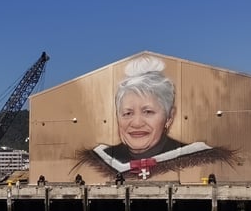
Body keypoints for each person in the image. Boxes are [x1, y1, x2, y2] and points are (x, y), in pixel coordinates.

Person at [75, 56, 233, 180]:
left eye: (148, 112)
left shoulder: (199, 156)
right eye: (127, 113)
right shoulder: (101, 158)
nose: (136, 123)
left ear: (169, 117)